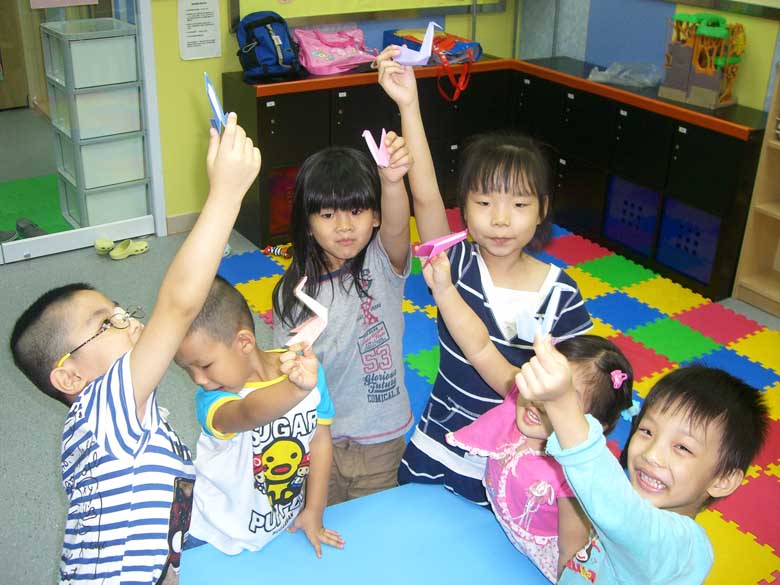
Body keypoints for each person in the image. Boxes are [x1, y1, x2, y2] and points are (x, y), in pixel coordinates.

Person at [9, 113, 261, 584]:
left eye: (122, 311)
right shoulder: (103, 413)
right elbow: (179, 304)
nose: (132, 323)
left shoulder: (122, 426)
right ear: (69, 376)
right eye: (108, 323)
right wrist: (226, 195)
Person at [375, 47, 592, 504]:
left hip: (517, 467)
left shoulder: (562, 296)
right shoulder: (454, 265)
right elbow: (426, 197)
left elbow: (576, 389)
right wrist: (409, 104)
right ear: (465, 209)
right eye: (485, 202)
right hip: (441, 444)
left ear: (542, 210)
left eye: (519, 204)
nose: (500, 220)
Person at [421, 251, 632, 580]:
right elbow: (479, 348)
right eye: (542, 380)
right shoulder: (520, 392)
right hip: (501, 541)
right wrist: (445, 289)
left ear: (592, 428)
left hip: (548, 569)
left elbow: (572, 554)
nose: (538, 401)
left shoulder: (573, 476)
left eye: (561, 398)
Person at [515, 336, 769, 584]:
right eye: (647, 432)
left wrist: (562, 403)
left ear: (723, 480)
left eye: (682, 447)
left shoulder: (681, 548)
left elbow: (619, 511)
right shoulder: (637, 503)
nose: (651, 454)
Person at [271, 134, 414, 504]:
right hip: (319, 440)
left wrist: (392, 183)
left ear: (376, 215)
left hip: (380, 440)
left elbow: (398, 226)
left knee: (375, 525)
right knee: (324, 524)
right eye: (328, 214)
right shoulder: (293, 294)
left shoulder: (381, 262)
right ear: (307, 223)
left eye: (357, 211)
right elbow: (284, 373)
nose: (345, 226)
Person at [174, 276, 342, 557]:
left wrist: (314, 510)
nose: (199, 380)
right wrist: (296, 389)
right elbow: (249, 412)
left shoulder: (305, 373)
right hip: (211, 532)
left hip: (278, 524)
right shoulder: (212, 400)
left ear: (244, 342)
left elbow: (320, 441)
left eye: (204, 365)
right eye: (187, 369)